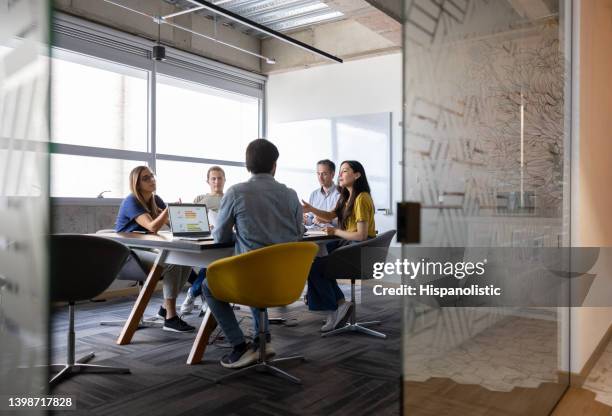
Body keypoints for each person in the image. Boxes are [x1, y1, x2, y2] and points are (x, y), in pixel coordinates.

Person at [203, 138, 303, 369]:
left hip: (252, 279)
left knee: (210, 286)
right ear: (274, 165)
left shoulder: (236, 192)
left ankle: (240, 346)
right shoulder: (291, 194)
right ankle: (263, 341)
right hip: (286, 280)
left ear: (247, 165)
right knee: (261, 273)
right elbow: (299, 233)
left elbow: (219, 237)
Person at [115, 165, 195, 333]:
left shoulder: (155, 199)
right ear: (137, 184)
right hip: (130, 253)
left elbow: (172, 225)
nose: (151, 180)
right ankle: (171, 318)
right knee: (172, 262)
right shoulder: (132, 201)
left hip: (148, 248)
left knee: (185, 259)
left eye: (152, 176)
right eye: (146, 178)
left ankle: (165, 309)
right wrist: (167, 211)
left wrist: (184, 219)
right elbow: (152, 227)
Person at [301, 160, 376, 332]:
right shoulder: (346, 197)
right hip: (350, 245)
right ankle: (340, 305)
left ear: (357, 175)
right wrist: (311, 208)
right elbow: (329, 215)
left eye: (344, 171)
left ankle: (334, 309)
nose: (340, 175)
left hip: (360, 249)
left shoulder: (361, 198)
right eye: (341, 171)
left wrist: (334, 232)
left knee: (316, 268)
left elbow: (361, 235)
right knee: (316, 264)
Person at [180, 166, 226, 315]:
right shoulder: (200, 199)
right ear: (208, 181)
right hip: (204, 238)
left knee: (211, 265)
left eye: (219, 178)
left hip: (223, 240)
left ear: (224, 180)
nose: (217, 181)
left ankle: (193, 293)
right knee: (206, 266)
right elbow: (191, 221)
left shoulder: (229, 199)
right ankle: (203, 296)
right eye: (213, 178)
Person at [304, 159, 340, 227]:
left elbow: (346, 221)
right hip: (315, 234)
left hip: (333, 235)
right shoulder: (314, 194)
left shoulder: (341, 194)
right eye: (318, 173)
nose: (320, 177)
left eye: (324, 174)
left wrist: (329, 220)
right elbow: (311, 220)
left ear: (332, 174)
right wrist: (305, 220)